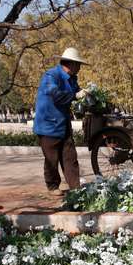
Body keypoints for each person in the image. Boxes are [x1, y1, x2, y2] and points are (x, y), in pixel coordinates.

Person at [33, 47, 89, 195]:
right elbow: (56, 95)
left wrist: (87, 96)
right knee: (51, 158)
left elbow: (77, 93)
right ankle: (52, 186)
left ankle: (75, 187)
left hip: (63, 123)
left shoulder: (72, 79)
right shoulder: (51, 76)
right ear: (70, 64)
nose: (80, 68)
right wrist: (76, 96)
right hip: (48, 124)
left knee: (70, 156)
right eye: (78, 65)